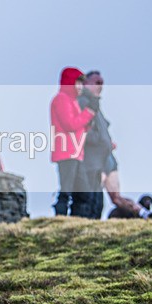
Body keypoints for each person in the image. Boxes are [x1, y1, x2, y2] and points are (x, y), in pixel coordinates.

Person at [50, 67, 95, 217]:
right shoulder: (62, 99)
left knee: (82, 192)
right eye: (78, 82)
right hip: (66, 152)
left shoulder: (71, 101)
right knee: (67, 190)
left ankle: (76, 220)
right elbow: (69, 124)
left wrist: (86, 124)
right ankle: (61, 219)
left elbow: (75, 126)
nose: (81, 87)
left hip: (75, 152)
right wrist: (88, 114)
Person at [77, 71, 113, 219]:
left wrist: (107, 142)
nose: (100, 86)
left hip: (99, 162)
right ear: (86, 83)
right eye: (96, 82)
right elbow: (81, 130)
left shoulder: (94, 103)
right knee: (88, 200)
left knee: (97, 202)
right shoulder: (83, 102)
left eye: (102, 83)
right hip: (88, 161)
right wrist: (100, 140)